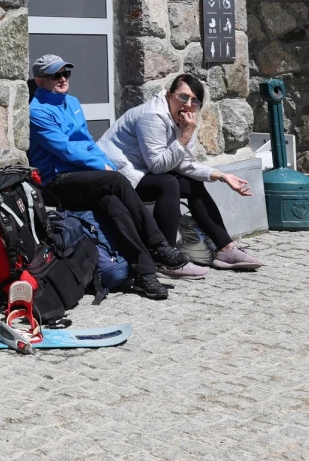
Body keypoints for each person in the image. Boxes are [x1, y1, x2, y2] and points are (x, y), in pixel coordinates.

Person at [28, 54, 196, 300]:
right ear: (40, 81)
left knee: (113, 203)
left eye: (66, 74)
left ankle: (145, 274)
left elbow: (87, 141)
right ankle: (159, 245)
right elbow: (65, 149)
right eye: (55, 75)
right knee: (116, 181)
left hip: (83, 176)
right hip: (57, 180)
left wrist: (105, 163)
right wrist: (103, 169)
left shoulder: (72, 102)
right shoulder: (37, 111)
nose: (63, 79)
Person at [97, 74, 263, 272]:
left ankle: (225, 248)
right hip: (117, 174)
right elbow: (158, 166)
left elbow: (184, 164)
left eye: (195, 101)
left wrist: (222, 176)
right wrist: (185, 136)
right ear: (169, 95)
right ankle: (166, 258)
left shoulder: (185, 121)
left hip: (140, 171)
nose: (188, 104)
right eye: (183, 97)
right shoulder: (153, 115)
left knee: (191, 183)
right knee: (167, 183)